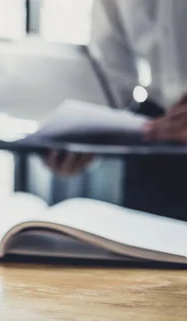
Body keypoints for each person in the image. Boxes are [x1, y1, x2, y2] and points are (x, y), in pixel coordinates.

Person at [47, 0, 187, 220]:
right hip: (156, 142)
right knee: (140, 247)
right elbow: (111, 80)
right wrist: (77, 136)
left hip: (162, 132)